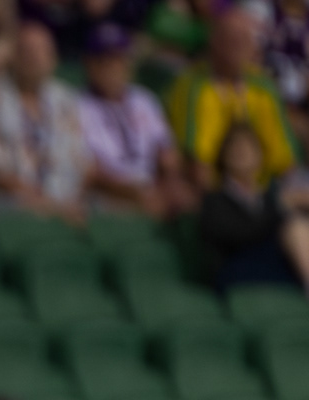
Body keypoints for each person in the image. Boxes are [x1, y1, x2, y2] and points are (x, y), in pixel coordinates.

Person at [0, 21, 91, 221]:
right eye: (26, 51)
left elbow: (81, 162)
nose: (34, 58)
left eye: (42, 51)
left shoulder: (65, 99)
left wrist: (68, 200)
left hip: (59, 201)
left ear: (54, 59)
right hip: (4, 200)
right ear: (13, 57)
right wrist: (47, 203)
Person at [165, 5, 298, 187]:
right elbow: (198, 166)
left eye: (244, 40)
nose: (238, 48)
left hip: (263, 191)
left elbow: (285, 160)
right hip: (217, 191)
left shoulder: (263, 86)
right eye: (231, 40)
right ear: (214, 42)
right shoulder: (194, 86)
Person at [79, 23, 193, 219]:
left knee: (188, 198)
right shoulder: (78, 106)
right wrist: (136, 194)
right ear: (90, 64)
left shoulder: (144, 99)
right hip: (109, 194)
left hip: (150, 187)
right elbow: (91, 172)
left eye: (120, 59)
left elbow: (167, 153)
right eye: (105, 60)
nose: (114, 67)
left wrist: (169, 183)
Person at [196, 124, 309, 290]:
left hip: (275, 265)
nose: (242, 151)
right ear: (224, 156)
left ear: (260, 156)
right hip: (238, 268)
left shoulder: (269, 197)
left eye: (249, 147)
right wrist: (281, 205)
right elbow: (238, 235)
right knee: (296, 228)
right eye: (235, 146)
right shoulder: (214, 200)